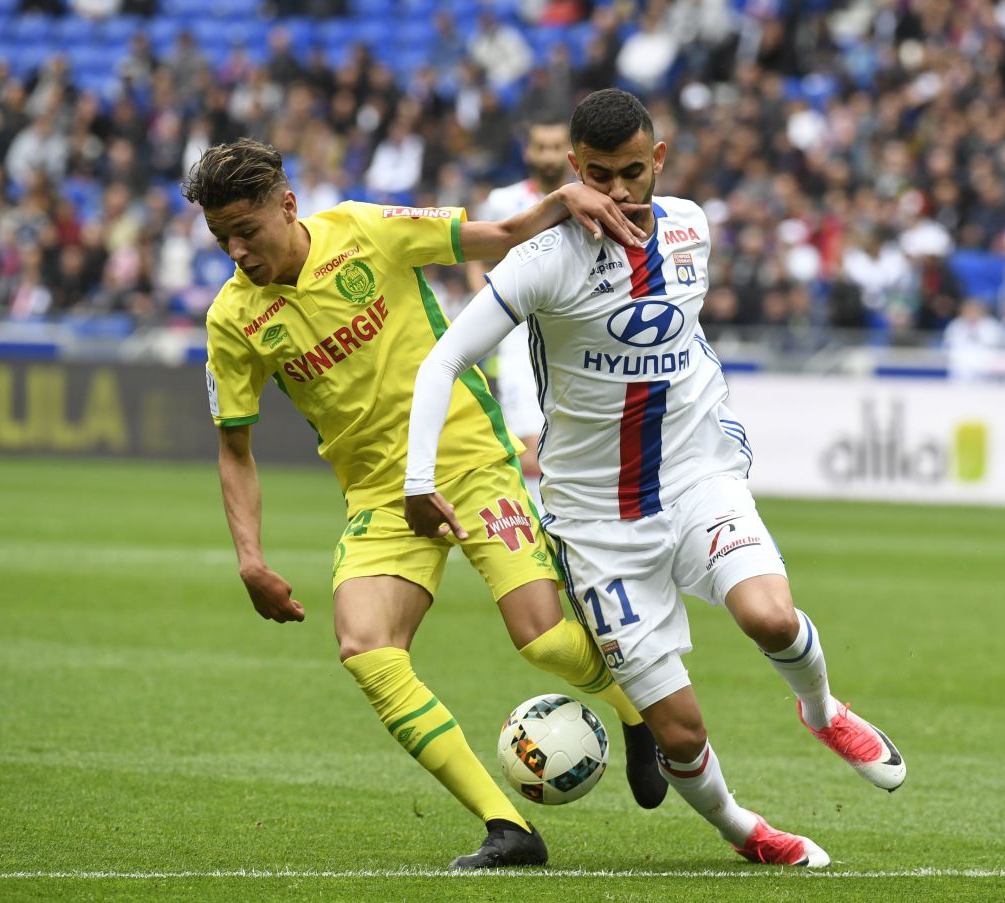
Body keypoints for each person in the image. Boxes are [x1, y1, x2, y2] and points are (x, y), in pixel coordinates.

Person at [404, 90, 907, 868]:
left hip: (696, 474)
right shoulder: (539, 262)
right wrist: (415, 476)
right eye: (599, 174)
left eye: (633, 173)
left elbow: (686, 332)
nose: (617, 192)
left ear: (658, 162)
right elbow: (442, 361)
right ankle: (745, 828)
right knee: (680, 731)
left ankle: (822, 708)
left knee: (772, 617)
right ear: (573, 168)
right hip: (598, 521)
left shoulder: (690, 227)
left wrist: (722, 417)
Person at [182, 138, 666, 871]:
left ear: (288, 204)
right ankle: (509, 827)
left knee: (538, 637)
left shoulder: (364, 230)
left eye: (247, 230)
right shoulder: (232, 320)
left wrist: (562, 200)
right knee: (365, 649)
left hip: (469, 459)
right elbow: (235, 450)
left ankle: (638, 716)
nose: (238, 251)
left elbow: (496, 236)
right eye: (223, 239)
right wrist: (249, 558)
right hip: (380, 496)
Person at [466, 114, 574, 512]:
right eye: (540, 146)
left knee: (564, 439)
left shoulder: (582, 198)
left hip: (569, 332)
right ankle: (543, 529)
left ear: (570, 152)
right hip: (517, 336)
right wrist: (490, 299)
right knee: (529, 442)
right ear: (528, 151)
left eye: (554, 147)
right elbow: (477, 257)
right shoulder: (503, 201)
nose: (547, 155)